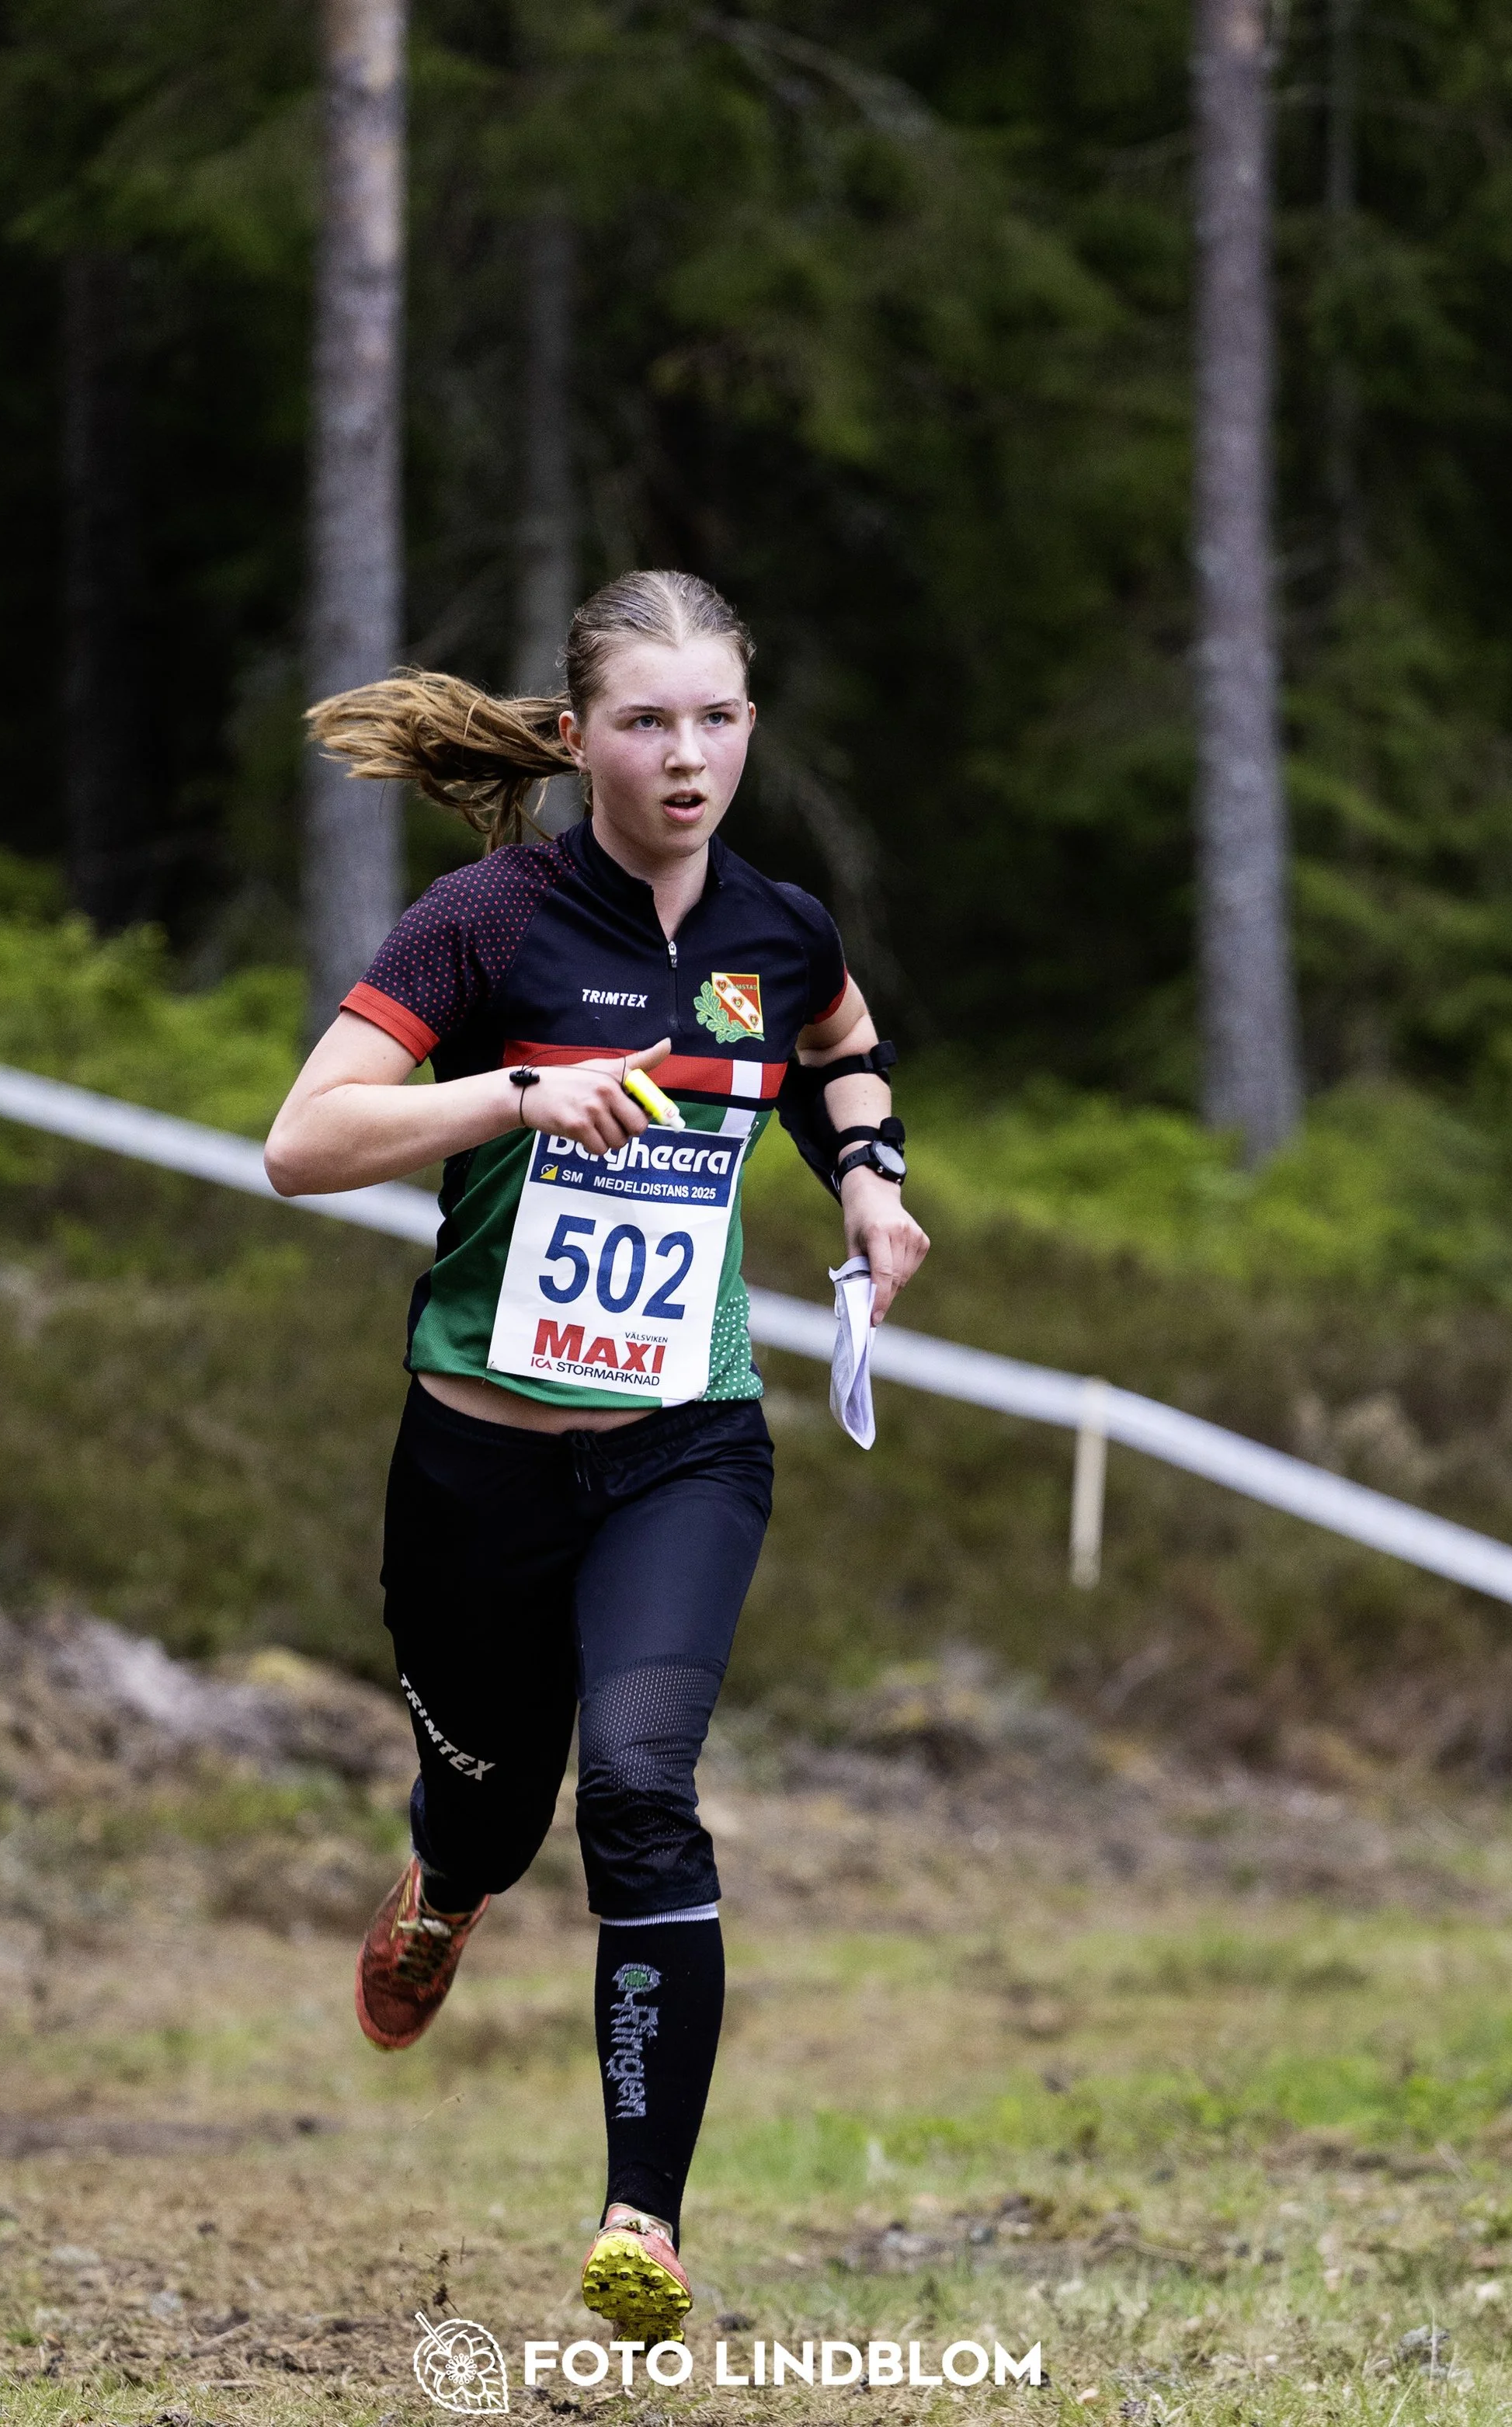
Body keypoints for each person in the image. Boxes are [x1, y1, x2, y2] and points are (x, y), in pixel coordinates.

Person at [264, 569, 928, 2344]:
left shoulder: (777, 927)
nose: (685, 753)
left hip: (681, 1445)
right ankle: (445, 1878)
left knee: (639, 1783)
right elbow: (300, 1142)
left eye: (715, 717)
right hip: (477, 1457)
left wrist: (867, 1182)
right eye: (645, 720)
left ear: (748, 731)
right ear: (576, 742)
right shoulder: (484, 925)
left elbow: (835, 1048)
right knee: (493, 1798)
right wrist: (509, 1094)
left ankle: (643, 2216)